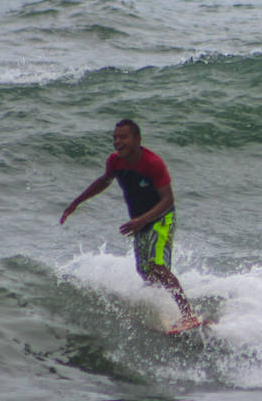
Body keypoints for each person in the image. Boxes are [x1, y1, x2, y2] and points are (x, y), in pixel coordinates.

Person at [60, 119, 198, 327]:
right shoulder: (115, 161)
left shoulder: (153, 163)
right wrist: (76, 203)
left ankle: (188, 315)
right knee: (145, 272)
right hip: (139, 222)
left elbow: (168, 199)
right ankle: (161, 310)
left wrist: (142, 220)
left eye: (123, 137)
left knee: (157, 265)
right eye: (115, 137)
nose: (118, 141)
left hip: (161, 218)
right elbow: (103, 181)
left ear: (137, 139)